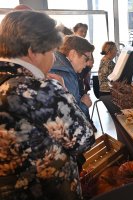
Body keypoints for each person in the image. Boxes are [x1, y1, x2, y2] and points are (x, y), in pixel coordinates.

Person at [0, 10, 95, 199]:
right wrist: (63, 90)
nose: (53, 58)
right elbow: (85, 139)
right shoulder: (38, 89)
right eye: (52, 51)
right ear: (33, 51)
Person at [50, 35, 94, 121]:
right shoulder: (65, 75)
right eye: (86, 58)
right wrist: (84, 105)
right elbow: (70, 119)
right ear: (72, 54)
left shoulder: (57, 66)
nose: (86, 64)